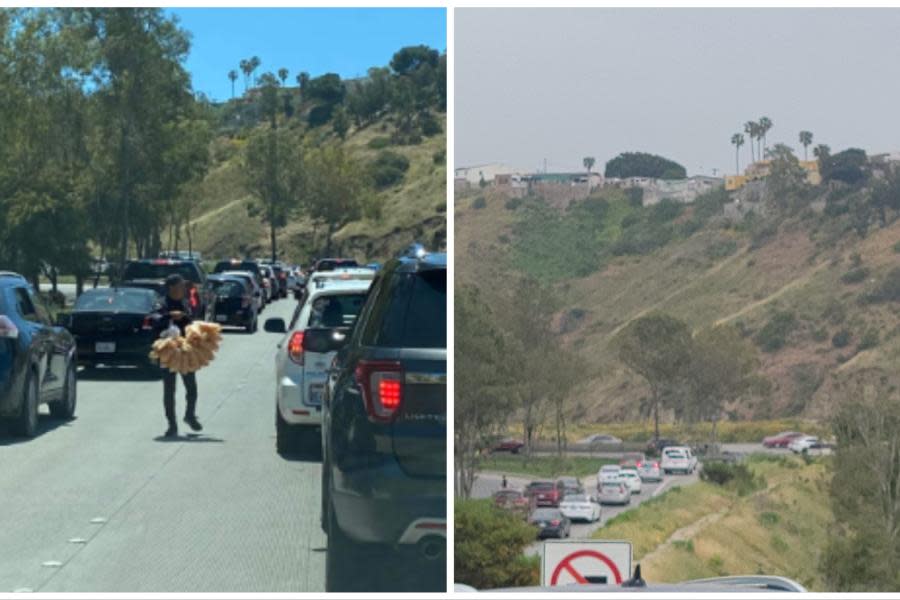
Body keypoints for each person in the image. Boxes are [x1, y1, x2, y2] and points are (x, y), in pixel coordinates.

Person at [155, 274, 202, 437]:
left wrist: (186, 317)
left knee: (191, 387)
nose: (184, 289)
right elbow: (155, 320)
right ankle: (172, 425)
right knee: (169, 390)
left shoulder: (186, 303)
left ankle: (190, 415)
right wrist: (169, 316)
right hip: (168, 351)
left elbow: (193, 319)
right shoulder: (162, 303)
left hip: (185, 350)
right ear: (172, 288)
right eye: (181, 286)